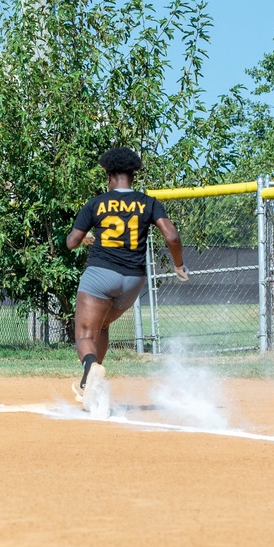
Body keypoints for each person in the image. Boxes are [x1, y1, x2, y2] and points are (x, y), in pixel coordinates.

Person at [65, 147, 188, 405]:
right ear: (133, 176)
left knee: (85, 335)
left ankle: (90, 370)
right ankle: (91, 384)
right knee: (104, 325)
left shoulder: (96, 203)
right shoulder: (148, 202)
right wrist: (178, 265)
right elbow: (172, 236)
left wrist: (84, 237)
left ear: (109, 175)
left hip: (100, 274)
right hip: (133, 281)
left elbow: (72, 242)